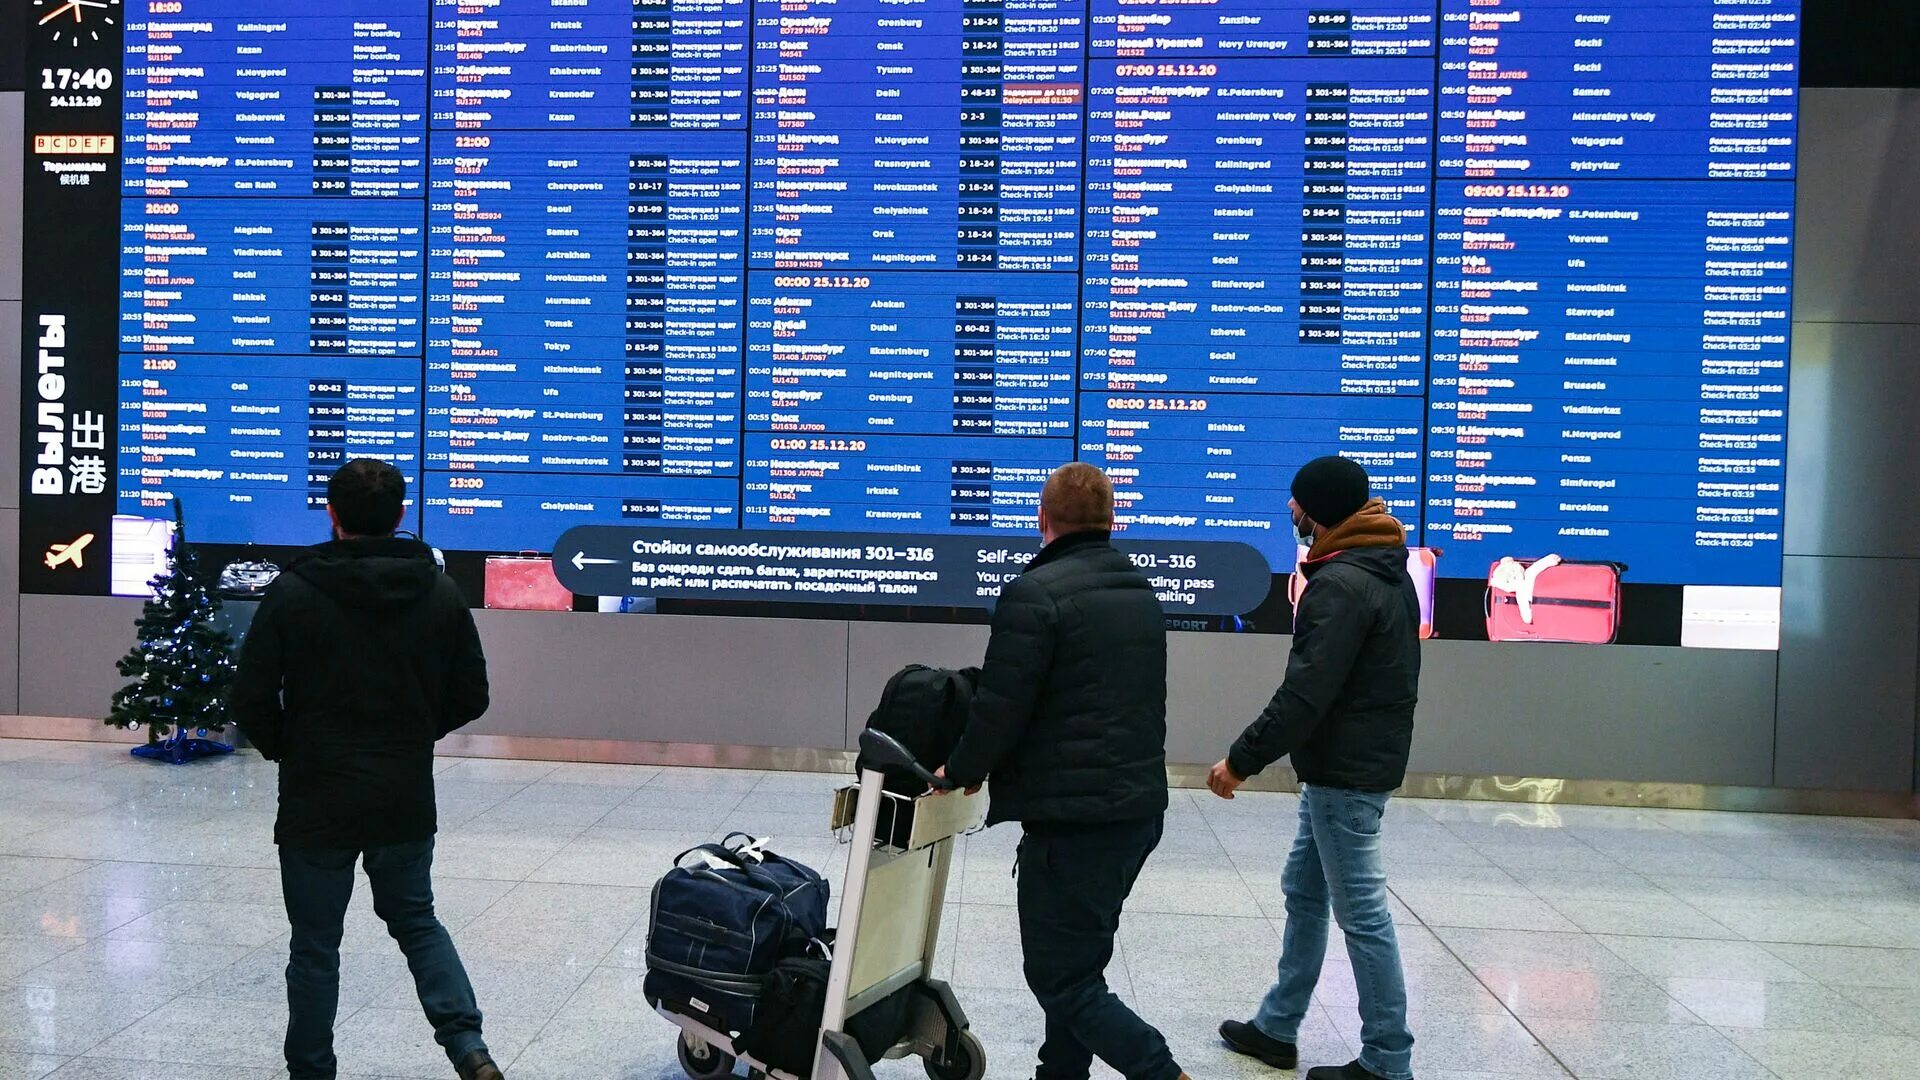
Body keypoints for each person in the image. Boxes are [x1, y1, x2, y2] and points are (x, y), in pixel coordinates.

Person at [232, 458, 502, 1080]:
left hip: (315, 794)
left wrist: (289, 746)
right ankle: (468, 1048)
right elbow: (472, 692)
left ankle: (312, 1070)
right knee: (416, 920)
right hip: (400, 791)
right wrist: (410, 735)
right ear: (402, 515)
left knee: (314, 947)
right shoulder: (438, 590)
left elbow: (249, 697)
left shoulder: (294, 590)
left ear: (332, 514)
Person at [937, 462, 1189, 1080]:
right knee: (1081, 962)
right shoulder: (1137, 588)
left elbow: (1002, 705)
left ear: (1042, 519)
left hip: (1075, 823)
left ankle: (1163, 1073)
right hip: (1134, 811)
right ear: (1112, 520)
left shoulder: (1034, 594)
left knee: (1060, 977)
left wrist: (959, 770)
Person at [1207, 456, 1421, 1080]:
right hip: (1349, 763)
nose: (1291, 514)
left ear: (1318, 511)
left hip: (1345, 772)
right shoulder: (1383, 569)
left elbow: (1306, 693)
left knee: (1362, 913)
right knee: (1304, 889)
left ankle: (1388, 1058)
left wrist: (1241, 761)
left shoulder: (1341, 585)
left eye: (1296, 504)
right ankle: (1277, 1027)